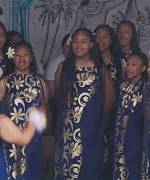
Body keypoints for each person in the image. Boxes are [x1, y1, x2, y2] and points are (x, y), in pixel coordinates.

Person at [54, 28, 114, 179]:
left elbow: (109, 100)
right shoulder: (64, 67)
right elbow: (57, 96)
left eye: (83, 41)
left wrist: (95, 121)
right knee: (67, 166)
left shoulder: (100, 68)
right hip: (68, 129)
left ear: (91, 44)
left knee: (89, 166)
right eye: (75, 41)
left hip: (91, 129)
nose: (78, 45)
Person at [0, 41, 48, 179]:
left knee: (31, 170)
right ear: (13, 57)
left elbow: (44, 109)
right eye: (18, 55)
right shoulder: (5, 81)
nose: (22, 59)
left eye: (26, 55)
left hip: (32, 138)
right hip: (9, 136)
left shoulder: (39, 81)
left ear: (31, 58)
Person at [112, 52, 147, 180]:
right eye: (127, 64)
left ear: (143, 68)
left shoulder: (145, 87)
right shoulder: (123, 86)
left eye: (134, 65)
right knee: (120, 166)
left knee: (133, 167)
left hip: (136, 136)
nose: (129, 68)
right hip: (120, 134)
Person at [94, 24, 120, 178]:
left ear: (111, 39)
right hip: (95, 115)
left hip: (116, 115)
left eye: (104, 36)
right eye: (97, 35)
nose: (100, 39)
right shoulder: (91, 63)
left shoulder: (121, 63)